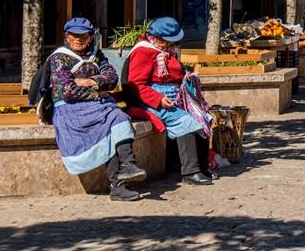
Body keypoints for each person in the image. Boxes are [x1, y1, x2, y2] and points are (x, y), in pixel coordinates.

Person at [48, 17, 146, 201]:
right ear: (67, 36)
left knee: (119, 118)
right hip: (71, 109)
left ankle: (128, 166)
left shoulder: (96, 54)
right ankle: (118, 184)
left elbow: (111, 77)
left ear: (90, 38)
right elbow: (67, 91)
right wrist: (97, 92)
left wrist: (92, 81)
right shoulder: (59, 58)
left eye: (83, 36)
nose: (79, 39)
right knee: (108, 128)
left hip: (98, 106)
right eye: (74, 36)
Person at [124, 17, 214, 185]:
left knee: (202, 118)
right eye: (168, 41)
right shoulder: (143, 51)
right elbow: (136, 85)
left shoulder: (165, 50)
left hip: (172, 97)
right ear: (157, 38)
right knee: (185, 121)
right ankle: (190, 171)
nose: (171, 44)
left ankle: (202, 167)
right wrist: (158, 100)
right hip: (148, 101)